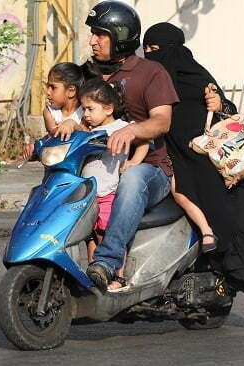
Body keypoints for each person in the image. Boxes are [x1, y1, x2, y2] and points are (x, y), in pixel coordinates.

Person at [143, 22, 244, 296]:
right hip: (173, 152)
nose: (151, 55)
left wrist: (219, 105)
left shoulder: (195, 74)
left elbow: (228, 112)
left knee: (239, 193)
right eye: (147, 50)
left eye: (157, 49)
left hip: (210, 153)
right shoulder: (149, 78)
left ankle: (243, 270)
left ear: (174, 50)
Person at [76, 1, 181, 292]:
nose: (92, 40)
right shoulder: (88, 73)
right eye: (93, 33)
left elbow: (162, 121)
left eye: (101, 34)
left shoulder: (151, 72)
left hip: (149, 168)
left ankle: (107, 261)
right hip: (96, 163)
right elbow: (71, 111)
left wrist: (133, 129)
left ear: (121, 36)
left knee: (132, 178)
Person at [77, 78, 150, 291]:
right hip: (89, 193)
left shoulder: (123, 128)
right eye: (83, 109)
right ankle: (95, 273)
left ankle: (118, 276)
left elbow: (144, 141)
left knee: (109, 234)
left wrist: (134, 162)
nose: (86, 114)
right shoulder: (88, 131)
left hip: (109, 192)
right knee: (90, 235)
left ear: (108, 108)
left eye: (90, 109)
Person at [21, 62, 88, 161]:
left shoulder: (85, 111)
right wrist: (35, 147)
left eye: (53, 87)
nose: (48, 92)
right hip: (56, 164)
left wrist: (72, 124)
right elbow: (55, 136)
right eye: (48, 86)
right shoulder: (49, 112)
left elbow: (86, 134)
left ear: (71, 91)